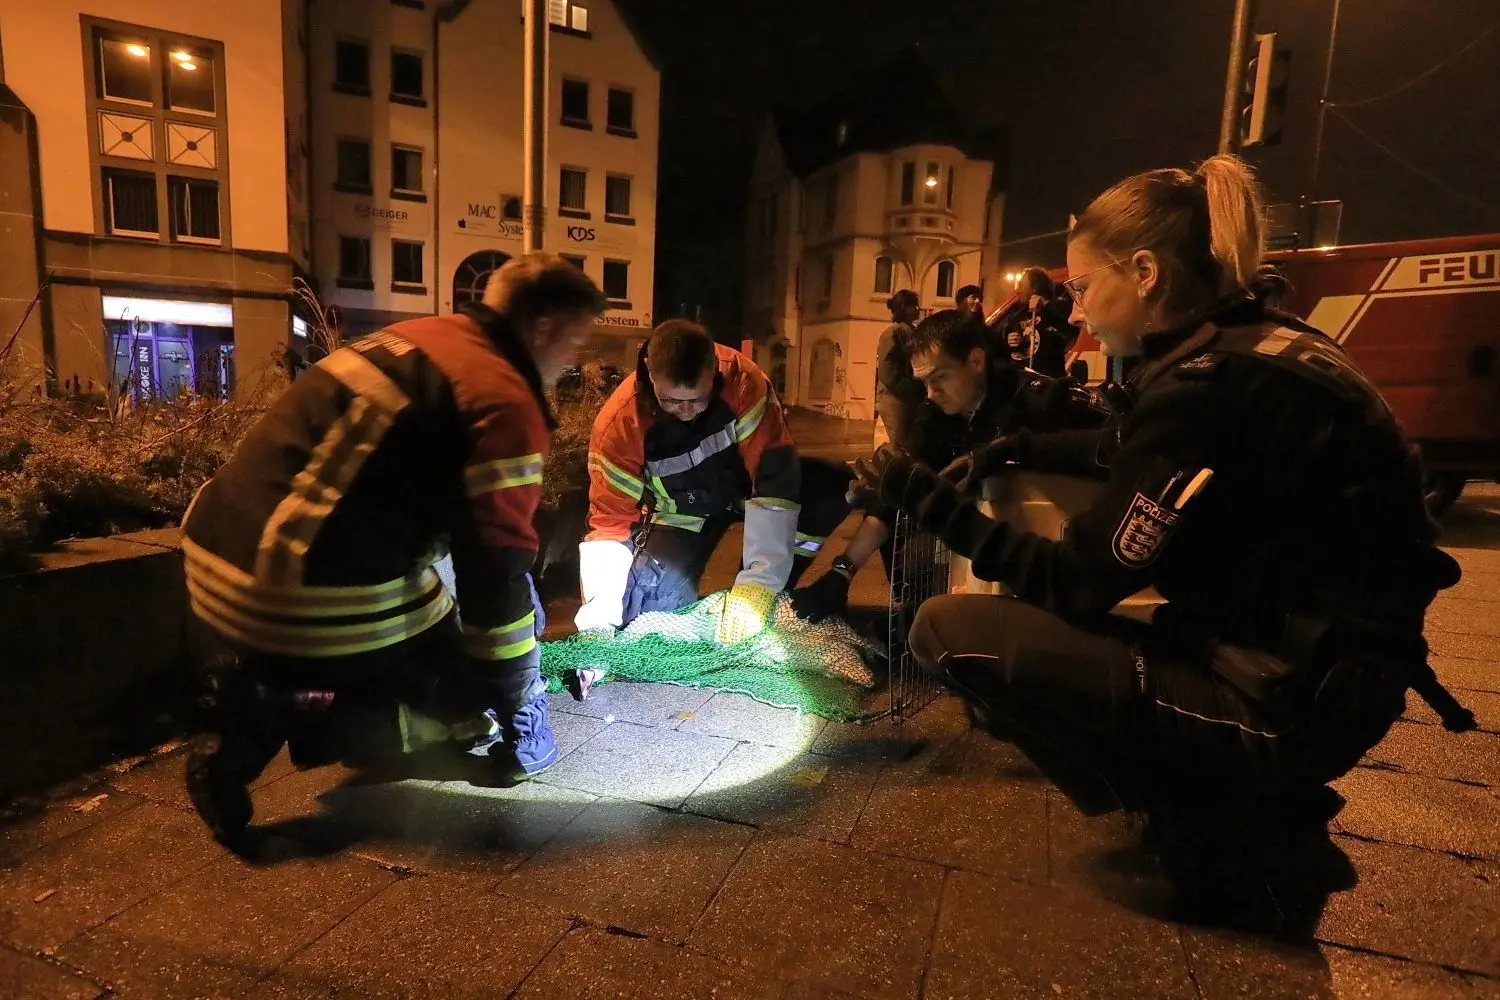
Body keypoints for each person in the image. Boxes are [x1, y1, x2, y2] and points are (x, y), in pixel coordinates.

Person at [855, 155, 1474, 915]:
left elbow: (1076, 583)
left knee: (949, 632)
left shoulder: (1208, 390)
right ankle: (1250, 807)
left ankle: (1217, 827)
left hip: (1288, 698)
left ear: (1144, 271)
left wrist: (922, 496)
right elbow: (1117, 446)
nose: (1075, 312)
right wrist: (997, 453)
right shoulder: (1251, 347)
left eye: (1084, 287)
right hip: (1310, 665)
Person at [181, 254, 606, 846]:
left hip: (213, 552)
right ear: (542, 328)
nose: (574, 359)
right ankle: (290, 718)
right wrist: (521, 702)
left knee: (408, 600)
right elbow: (494, 573)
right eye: (575, 340)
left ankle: (270, 704)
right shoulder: (504, 400)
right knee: (453, 665)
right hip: (302, 585)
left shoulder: (422, 338)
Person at [792, 309, 1102, 622]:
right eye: (924, 381)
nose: (930, 392)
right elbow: (899, 490)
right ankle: (920, 622)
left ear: (976, 361)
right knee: (912, 548)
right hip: (970, 543)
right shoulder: (934, 414)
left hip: (1040, 554)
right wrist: (843, 571)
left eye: (940, 377)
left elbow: (1108, 449)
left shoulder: (1040, 400)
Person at [575, 319, 852, 642]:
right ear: (650, 372)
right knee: (648, 616)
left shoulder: (746, 384)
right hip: (685, 513)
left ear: (714, 370)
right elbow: (610, 525)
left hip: (747, 495)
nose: (687, 411)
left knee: (831, 488)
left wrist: (757, 587)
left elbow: (774, 486)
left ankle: (774, 592)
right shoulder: (619, 425)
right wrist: (598, 618)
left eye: (697, 399)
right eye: (672, 401)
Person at [989, 266, 1080, 377]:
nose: (1018, 290)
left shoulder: (1060, 309)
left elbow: (1070, 333)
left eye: (1022, 286)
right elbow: (999, 348)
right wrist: (1009, 341)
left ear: (1035, 288)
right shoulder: (1017, 315)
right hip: (1023, 384)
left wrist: (1045, 310)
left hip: (1048, 383)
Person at [874, 289, 926, 447]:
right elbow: (887, 369)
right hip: (895, 398)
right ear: (903, 308)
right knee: (900, 444)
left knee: (909, 444)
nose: (918, 308)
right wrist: (911, 388)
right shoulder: (893, 333)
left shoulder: (912, 331)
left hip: (907, 398)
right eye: (913, 305)